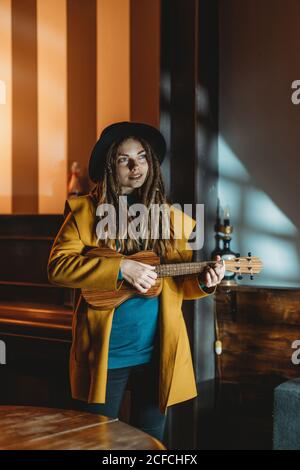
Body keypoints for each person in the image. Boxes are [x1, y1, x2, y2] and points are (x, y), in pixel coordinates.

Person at [47, 121, 225, 446]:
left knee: (149, 442)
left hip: (155, 355)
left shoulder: (168, 218)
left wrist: (205, 281)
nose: (136, 167)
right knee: (94, 441)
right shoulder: (86, 213)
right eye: (124, 159)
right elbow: (58, 267)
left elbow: (179, 282)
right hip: (106, 355)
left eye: (142, 157)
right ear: (109, 165)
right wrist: (121, 267)